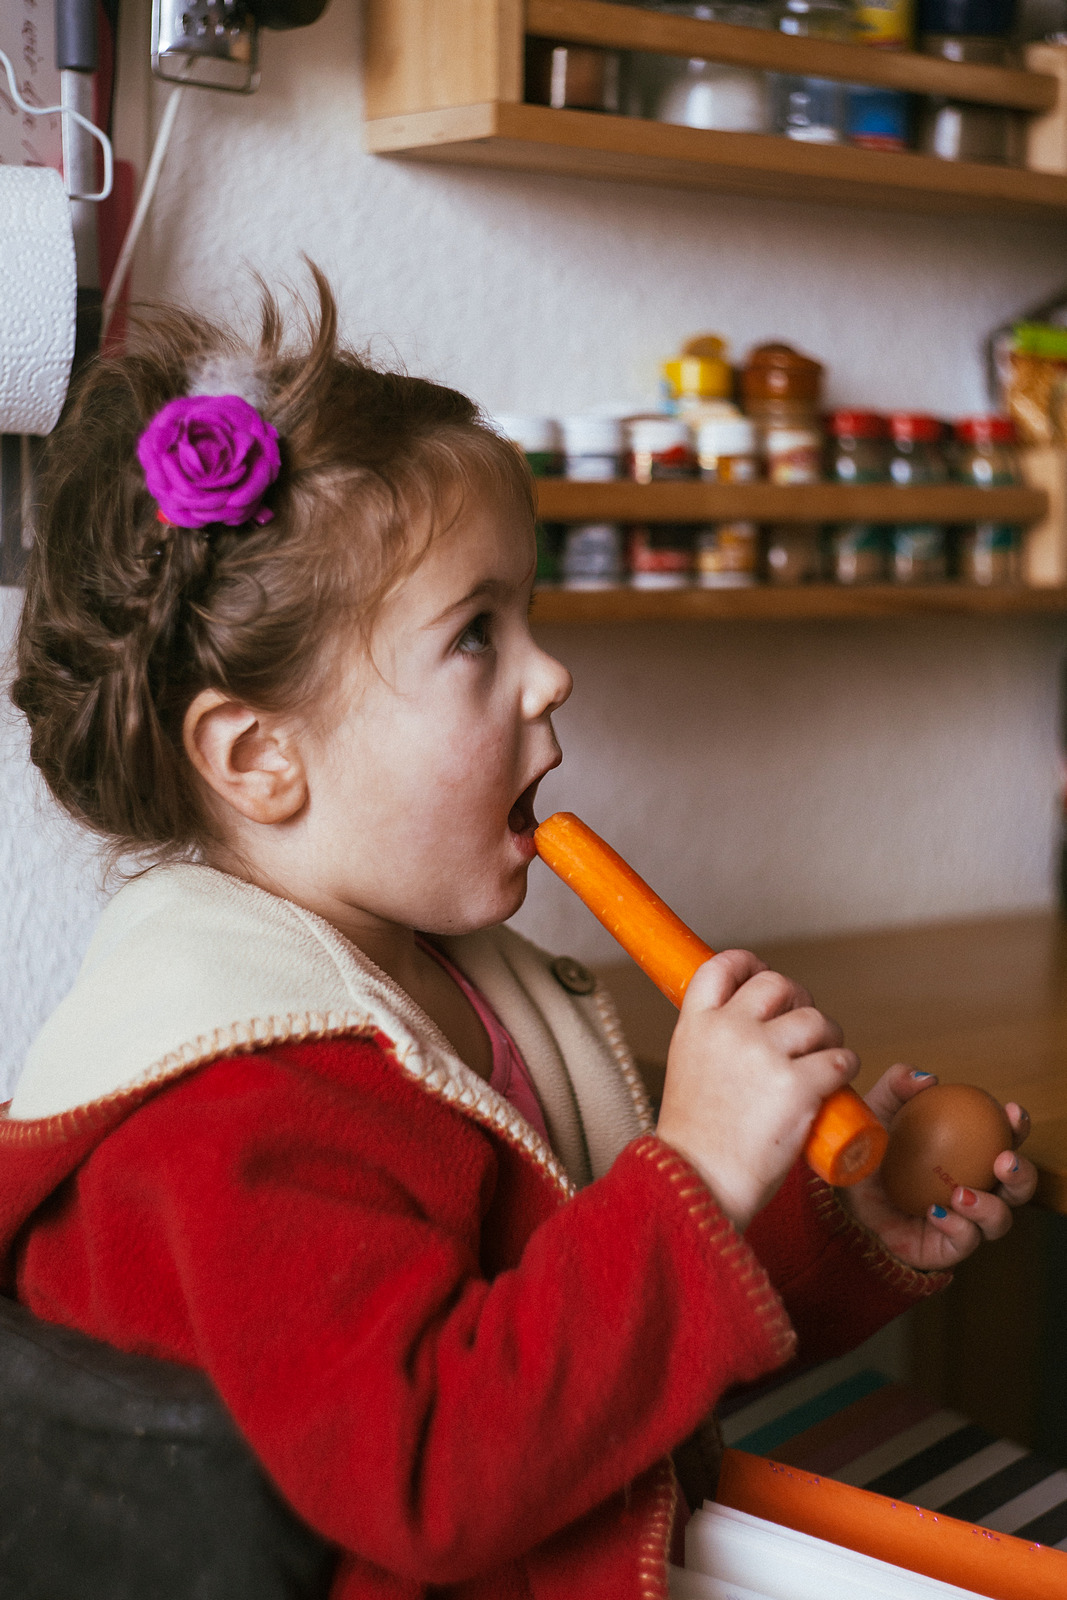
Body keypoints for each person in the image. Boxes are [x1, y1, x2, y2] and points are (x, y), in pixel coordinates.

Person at [0, 270, 1036, 1599]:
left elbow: (593, 1353)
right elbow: (438, 1471)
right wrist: (695, 1169)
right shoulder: (239, 1106)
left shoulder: (456, 987)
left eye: (529, 618)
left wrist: (838, 1227)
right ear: (261, 758)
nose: (552, 675)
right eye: (475, 636)